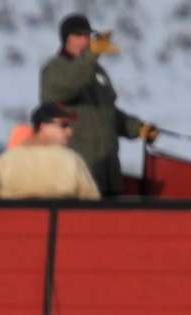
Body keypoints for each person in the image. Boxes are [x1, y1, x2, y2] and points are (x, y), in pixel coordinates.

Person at [39, 12, 158, 196]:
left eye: (87, 35)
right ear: (65, 38)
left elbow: (108, 112)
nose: (85, 40)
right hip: (77, 172)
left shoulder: (95, 70)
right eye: (78, 35)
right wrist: (92, 56)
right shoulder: (54, 70)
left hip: (109, 171)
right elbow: (69, 85)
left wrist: (138, 128)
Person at [0, 103, 100, 200]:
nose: (69, 132)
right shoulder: (72, 161)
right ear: (43, 127)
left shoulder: (6, 161)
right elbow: (92, 201)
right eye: (64, 125)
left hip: (13, 227)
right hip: (61, 227)